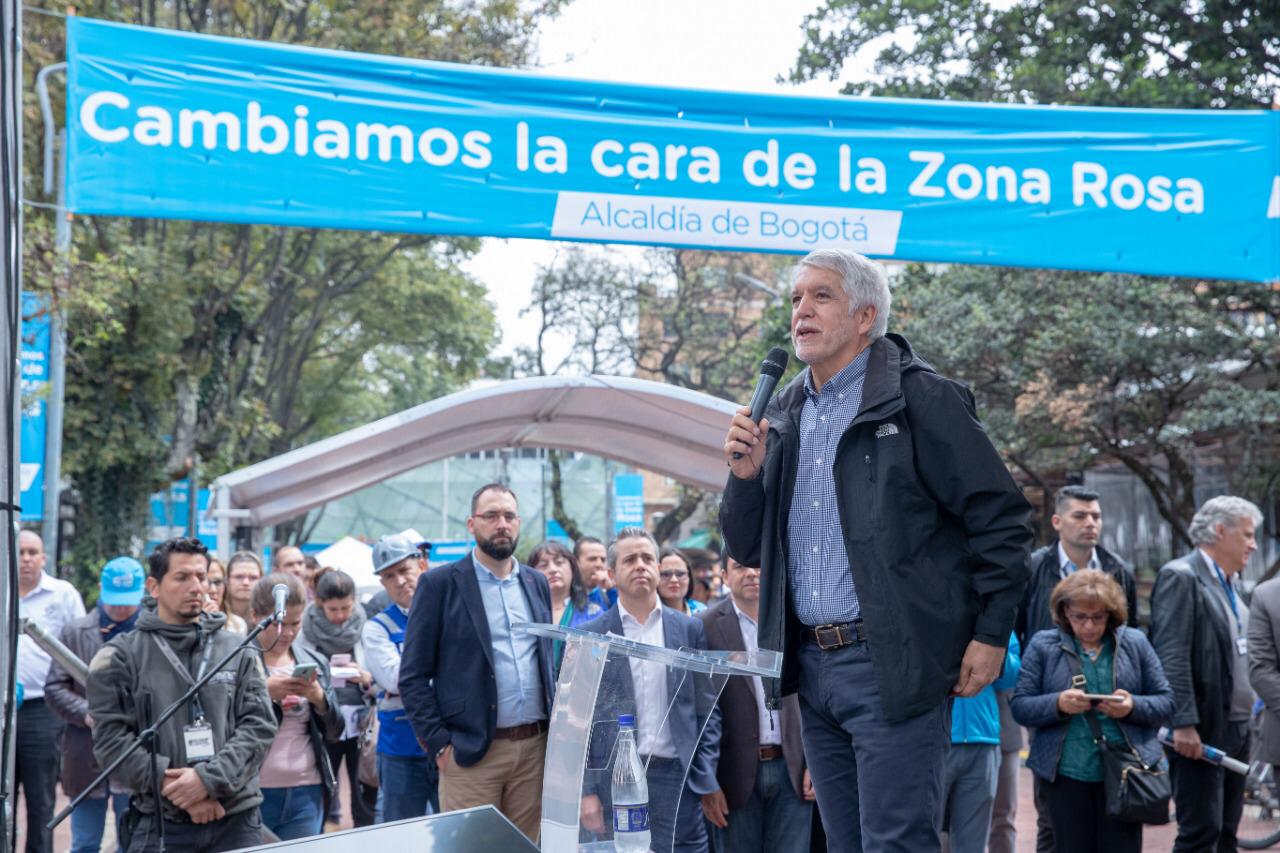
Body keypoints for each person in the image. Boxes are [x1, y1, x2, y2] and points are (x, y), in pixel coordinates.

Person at [721, 248, 1033, 853]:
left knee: (895, 842)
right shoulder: (784, 412)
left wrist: (993, 634)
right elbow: (744, 546)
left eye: (820, 297)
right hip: (812, 669)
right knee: (844, 844)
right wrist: (744, 475)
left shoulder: (921, 400)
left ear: (865, 317)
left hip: (893, 660)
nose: (800, 311)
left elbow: (1003, 521)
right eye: (795, 299)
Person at [87, 537, 277, 853]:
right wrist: (171, 784)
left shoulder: (238, 649)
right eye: (182, 577)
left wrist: (207, 781)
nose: (197, 587)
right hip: (160, 818)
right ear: (154, 586)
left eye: (202, 577)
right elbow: (110, 741)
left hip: (235, 819)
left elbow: (259, 727)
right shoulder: (119, 657)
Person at [400, 484, 556, 842]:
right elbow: (412, 676)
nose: (501, 523)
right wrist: (440, 745)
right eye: (491, 516)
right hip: (471, 753)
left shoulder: (536, 583)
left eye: (509, 516)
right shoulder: (439, 584)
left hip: (534, 750)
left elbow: (546, 662)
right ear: (472, 524)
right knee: (470, 848)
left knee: (527, 848)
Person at [579, 528, 721, 853]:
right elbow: (581, 720)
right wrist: (587, 792)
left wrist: (703, 771)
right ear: (612, 574)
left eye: (647, 558)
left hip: (678, 777)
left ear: (658, 567)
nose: (641, 565)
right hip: (618, 781)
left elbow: (707, 709)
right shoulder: (592, 635)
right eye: (630, 559)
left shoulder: (688, 628)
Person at [1012, 569, 1173, 853]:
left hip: (1124, 772)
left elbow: (1166, 702)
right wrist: (1058, 704)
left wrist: (1132, 706)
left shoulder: (1134, 642)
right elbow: (1021, 706)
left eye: (1097, 617)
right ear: (1064, 612)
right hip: (1065, 773)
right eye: (1079, 617)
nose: (1088, 626)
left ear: (1111, 614)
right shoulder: (1044, 645)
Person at [1017, 485, 1137, 853]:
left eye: (1096, 516)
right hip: (1051, 705)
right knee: (1052, 818)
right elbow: (1017, 628)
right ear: (1057, 521)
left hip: (1111, 711)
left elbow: (1130, 637)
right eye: (1080, 516)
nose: (1090, 524)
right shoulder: (1034, 568)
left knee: (1113, 817)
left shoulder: (1119, 569)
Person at [1151, 495, 1263, 853]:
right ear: (1219, 531)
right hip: (1200, 728)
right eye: (1246, 535)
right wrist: (1183, 722)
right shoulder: (1181, 576)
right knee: (1202, 831)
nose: (1253, 544)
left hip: (1235, 724)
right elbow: (1172, 653)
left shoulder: (1231, 583)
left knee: (1227, 830)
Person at [699, 556, 811, 853]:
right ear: (723, 575)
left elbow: (814, 694)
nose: (751, 573)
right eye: (740, 567)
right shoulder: (705, 627)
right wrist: (707, 781)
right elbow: (700, 708)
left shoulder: (795, 620)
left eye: (760, 565)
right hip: (732, 774)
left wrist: (814, 764)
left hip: (794, 770)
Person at [45, 556, 145, 853]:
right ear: (102, 589)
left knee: (134, 842)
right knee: (85, 842)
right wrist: (87, 714)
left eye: (128, 602)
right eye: (115, 601)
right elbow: (54, 687)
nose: (121, 609)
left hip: (134, 753)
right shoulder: (76, 631)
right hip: (85, 754)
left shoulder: (152, 633)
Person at [250, 573, 341, 840]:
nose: (288, 633)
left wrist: (318, 698)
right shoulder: (238, 659)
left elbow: (335, 732)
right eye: (280, 624)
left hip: (307, 789)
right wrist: (264, 693)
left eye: (296, 623)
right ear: (257, 616)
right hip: (254, 790)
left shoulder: (313, 660)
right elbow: (222, 723)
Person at [15, 528, 86, 853]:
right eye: (20, 551)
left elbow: (81, 647)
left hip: (42, 709)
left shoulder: (62, 594)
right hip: (2, 708)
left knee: (40, 798)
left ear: (44, 557)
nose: (26, 559)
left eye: (33, 552)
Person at [360, 533, 436, 822]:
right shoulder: (377, 628)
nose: (400, 580)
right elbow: (396, 679)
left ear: (421, 565)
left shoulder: (448, 612)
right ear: (382, 583)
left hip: (450, 744)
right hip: (401, 750)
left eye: (404, 570)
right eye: (390, 575)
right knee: (402, 838)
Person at [298, 569, 379, 828]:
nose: (340, 616)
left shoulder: (367, 627)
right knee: (323, 793)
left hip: (362, 723)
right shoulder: (304, 631)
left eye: (346, 607)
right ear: (320, 603)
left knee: (365, 793)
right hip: (323, 722)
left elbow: (382, 677)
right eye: (333, 609)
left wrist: (366, 678)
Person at [942, 633, 1020, 853]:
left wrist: (993, 653)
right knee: (923, 835)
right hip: (935, 738)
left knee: (972, 845)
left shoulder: (991, 614)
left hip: (982, 738)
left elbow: (1013, 674)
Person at [528, 540, 605, 671]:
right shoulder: (525, 611)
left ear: (572, 569)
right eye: (543, 565)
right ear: (531, 575)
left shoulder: (593, 612)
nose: (552, 569)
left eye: (559, 563)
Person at [988, 689, 1023, 853]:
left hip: (1004, 732)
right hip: (956, 735)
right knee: (950, 820)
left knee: (1003, 817)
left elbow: (1019, 673)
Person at [658, 547, 706, 616]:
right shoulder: (647, 614)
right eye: (666, 574)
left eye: (680, 574)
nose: (674, 580)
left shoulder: (703, 613)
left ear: (689, 578)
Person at [204, 557, 247, 634]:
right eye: (206, 582)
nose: (213, 590)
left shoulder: (238, 625)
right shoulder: (184, 624)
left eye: (218, 582)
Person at [224, 550, 263, 625]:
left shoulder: (268, 616)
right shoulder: (217, 615)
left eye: (253, 577)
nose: (246, 583)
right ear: (227, 580)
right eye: (239, 577)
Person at [574, 536, 613, 609]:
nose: (599, 564)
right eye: (592, 559)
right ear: (576, 563)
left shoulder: (610, 594)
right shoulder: (564, 595)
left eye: (603, 560)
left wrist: (611, 590)